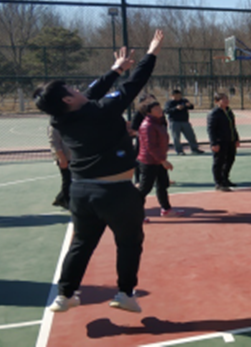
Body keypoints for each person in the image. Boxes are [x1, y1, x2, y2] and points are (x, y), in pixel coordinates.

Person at [33, 29, 165, 314]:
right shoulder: (102, 110)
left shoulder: (59, 119)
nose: (76, 90)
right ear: (67, 100)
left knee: (81, 244)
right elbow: (134, 84)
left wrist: (115, 70)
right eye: (71, 90)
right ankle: (125, 293)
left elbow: (90, 94)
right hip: (116, 193)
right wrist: (151, 54)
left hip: (81, 192)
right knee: (129, 243)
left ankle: (65, 295)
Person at [137, 100, 183, 217]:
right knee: (145, 188)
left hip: (158, 160)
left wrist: (162, 159)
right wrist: (163, 161)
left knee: (162, 185)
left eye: (159, 107)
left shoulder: (158, 123)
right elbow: (150, 147)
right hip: (149, 161)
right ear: (148, 112)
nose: (160, 110)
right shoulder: (147, 125)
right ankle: (135, 213)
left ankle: (166, 209)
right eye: (156, 109)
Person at [207, 93, 239, 192]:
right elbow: (211, 129)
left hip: (230, 140)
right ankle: (219, 183)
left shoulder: (229, 111)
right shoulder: (214, 113)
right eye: (223, 99)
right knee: (219, 162)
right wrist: (214, 143)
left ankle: (225, 179)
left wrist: (236, 138)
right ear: (217, 101)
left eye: (227, 99)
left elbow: (233, 126)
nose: (226, 101)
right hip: (220, 142)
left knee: (230, 159)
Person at [164, 89, 203, 155]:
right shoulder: (169, 103)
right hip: (175, 122)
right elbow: (166, 111)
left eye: (179, 95)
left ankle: (195, 149)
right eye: (176, 96)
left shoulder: (184, 101)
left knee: (191, 135)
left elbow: (191, 107)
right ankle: (179, 151)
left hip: (185, 121)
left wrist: (189, 105)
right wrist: (176, 108)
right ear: (172, 96)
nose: (178, 97)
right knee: (176, 137)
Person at [48, 124, 71, 210]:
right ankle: (66, 201)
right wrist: (61, 158)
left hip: (74, 156)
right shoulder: (55, 126)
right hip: (65, 157)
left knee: (74, 179)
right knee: (68, 180)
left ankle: (60, 198)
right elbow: (54, 144)